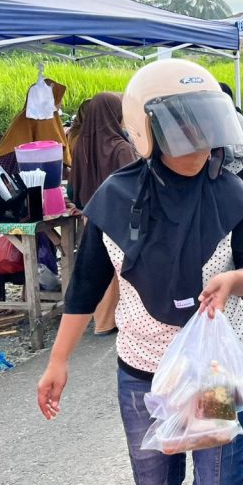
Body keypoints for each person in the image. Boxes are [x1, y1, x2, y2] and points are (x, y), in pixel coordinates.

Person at [36, 59, 243, 485]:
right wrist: (58, 361)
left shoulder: (229, 192)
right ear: (146, 130)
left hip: (212, 371)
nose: (198, 143)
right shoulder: (116, 198)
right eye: (183, 129)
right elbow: (86, 286)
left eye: (205, 127)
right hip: (143, 369)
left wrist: (236, 279)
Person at [67, 92, 138, 335]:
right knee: (118, 267)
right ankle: (110, 321)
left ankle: (101, 320)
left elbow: (73, 184)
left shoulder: (81, 145)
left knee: (95, 265)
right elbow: (134, 184)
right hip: (118, 215)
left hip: (90, 213)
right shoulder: (120, 147)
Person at [218, 82, 243, 181]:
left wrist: (227, 149)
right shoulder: (210, 119)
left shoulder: (236, 118)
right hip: (215, 173)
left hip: (233, 172)